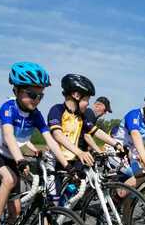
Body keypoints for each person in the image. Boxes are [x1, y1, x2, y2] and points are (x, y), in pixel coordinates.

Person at [0, 62, 69, 225]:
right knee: (9, 180)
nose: (36, 99)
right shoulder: (8, 107)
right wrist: (21, 160)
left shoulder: (37, 114)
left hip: (14, 157)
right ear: (16, 90)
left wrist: (68, 165)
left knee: (17, 210)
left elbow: (50, 141)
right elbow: (10, 137)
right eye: (31, 94)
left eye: (40, 95)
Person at [45, 74, 122, 204]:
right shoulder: (57, 109)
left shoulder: (81, 116)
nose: (88, 104)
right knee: (51, 206)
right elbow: (58, 135)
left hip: (72, 159)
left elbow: (96, 131)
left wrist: (116, 144)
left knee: (78, 185)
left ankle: (64, 209)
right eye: (86, 100)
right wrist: (80, 152)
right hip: (55, 161)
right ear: (76, 95)